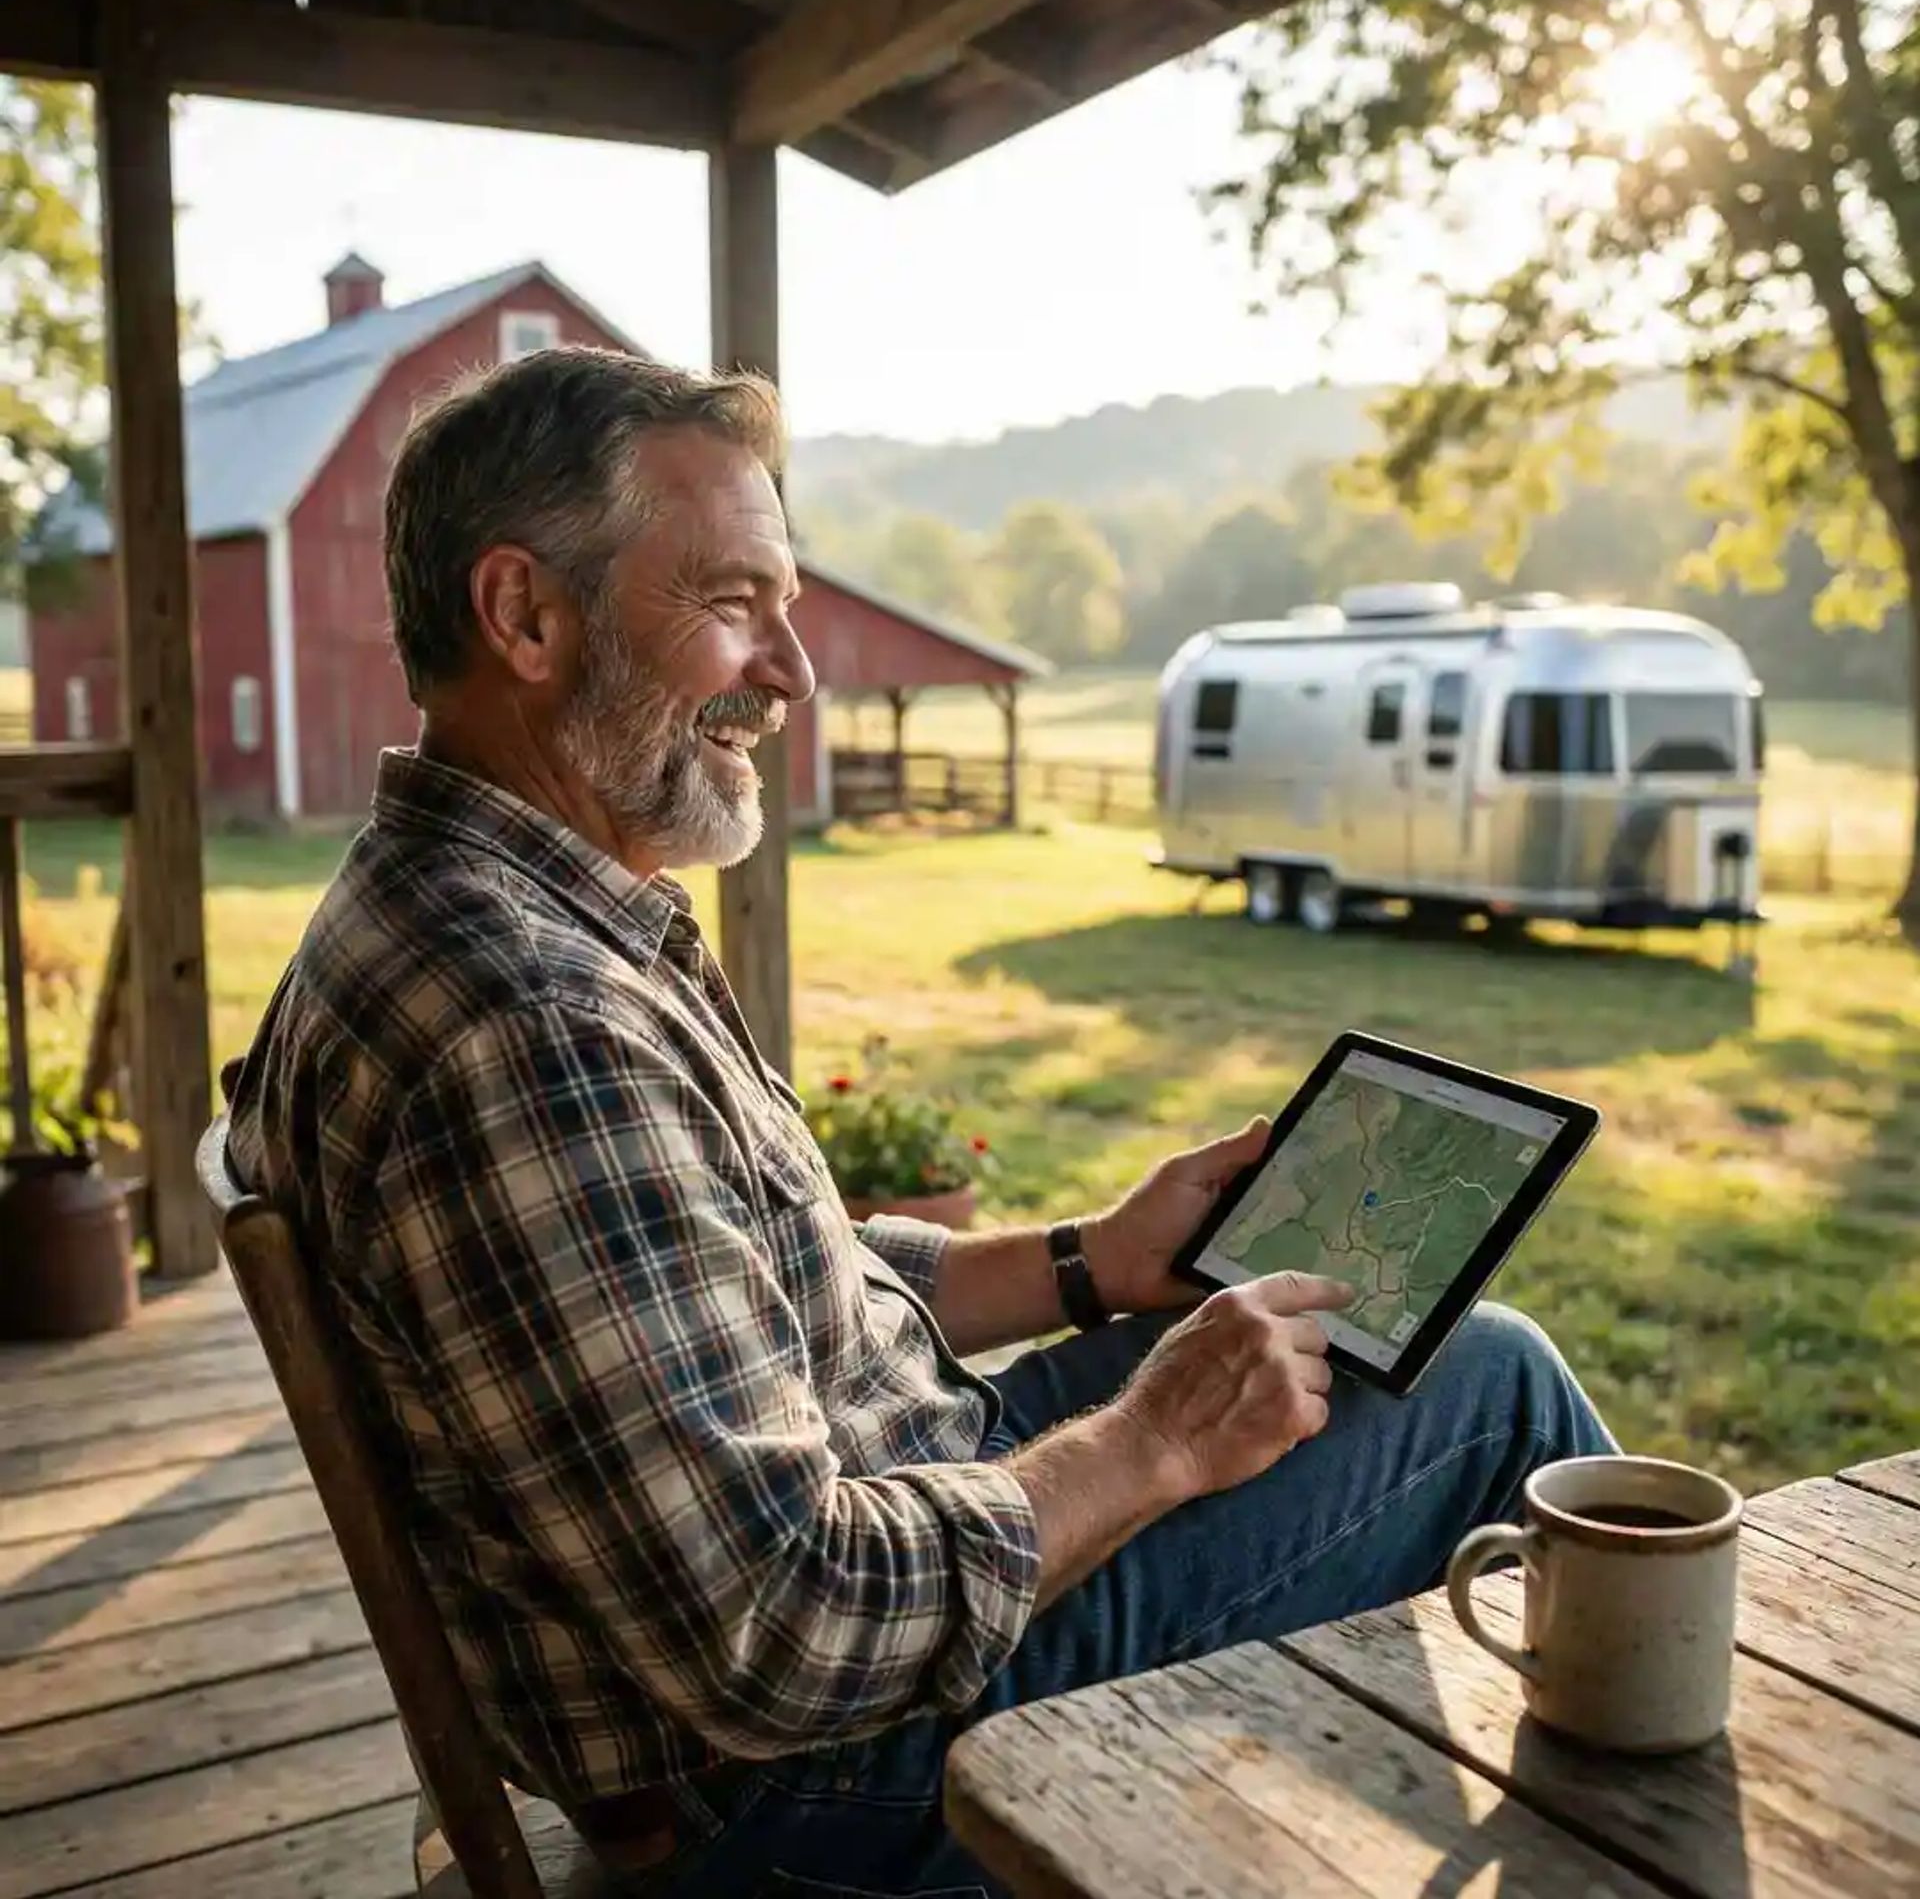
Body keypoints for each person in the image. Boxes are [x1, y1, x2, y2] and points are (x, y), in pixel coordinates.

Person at [225, 346, 1614, 1898]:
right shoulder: (536, 1026)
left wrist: (1093, 1260)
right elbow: (784, 1639)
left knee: (1383, 1356)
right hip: (830, 1779)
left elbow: (752, 1281)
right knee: (1493, 1388)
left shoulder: (448, 907)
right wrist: (1153, 1444)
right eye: (735, 601)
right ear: (528, 617)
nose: (795, 674)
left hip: (883, 1528)